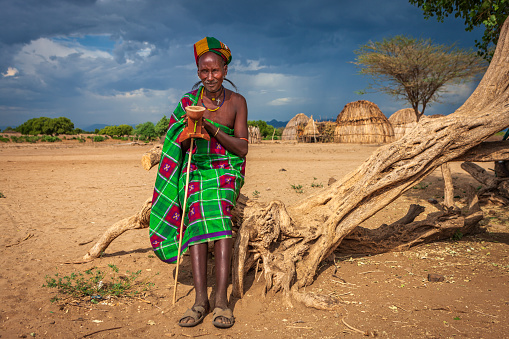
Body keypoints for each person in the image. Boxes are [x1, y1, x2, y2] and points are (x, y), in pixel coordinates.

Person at [149, 37, 248, 329]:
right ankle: (199, 301)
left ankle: (221, 301)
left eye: (215, 71)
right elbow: (173, 141)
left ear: (225, 70)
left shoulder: (237, 102)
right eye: (203, 72)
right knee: (194, 207)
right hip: (196, 167)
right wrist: (188, 130)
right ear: (197, 73)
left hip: (226, 168)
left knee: (215, 206)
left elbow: (241, 148)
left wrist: (209, 127)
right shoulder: (188, 104)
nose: (209, 77)